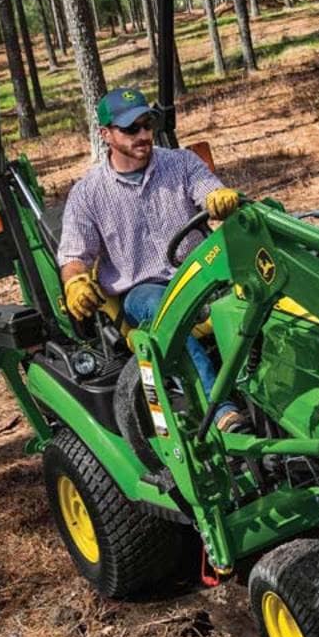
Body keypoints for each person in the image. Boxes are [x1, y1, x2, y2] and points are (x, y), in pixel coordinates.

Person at [56, 86, 244, 431]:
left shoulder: (181, 163)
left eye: (147, 125)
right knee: (166, 307)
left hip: (200, 274)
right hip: (143, 290)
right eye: (131, 129)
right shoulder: (88, 194)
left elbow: (207, 191)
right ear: (105, 135)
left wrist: (217, 197)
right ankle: (221, 410)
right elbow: (73, 255)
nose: (143, 135)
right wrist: (76, 282)